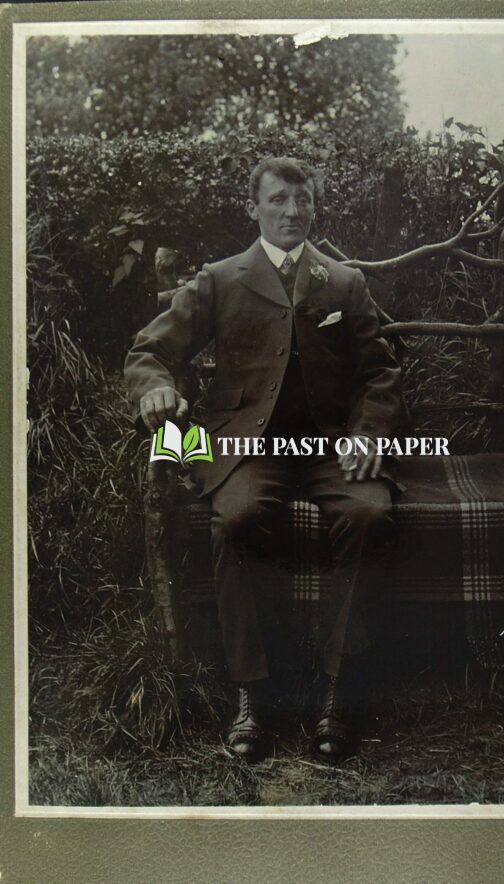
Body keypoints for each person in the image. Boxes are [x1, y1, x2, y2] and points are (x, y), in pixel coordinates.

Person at [125, 157, 405, 761]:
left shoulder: (343, 281)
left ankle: (336, 692)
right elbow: (149, 349)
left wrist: (369, 433)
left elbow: (380, 373)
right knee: (239, 517)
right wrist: (155, 386)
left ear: (314, 208)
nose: (292, 212)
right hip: (246, 447)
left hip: (330, 446)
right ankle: (253, 695)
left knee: (369, 515)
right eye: (278, 200)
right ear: (253, 208)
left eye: (302, 201)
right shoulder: (221, 279)